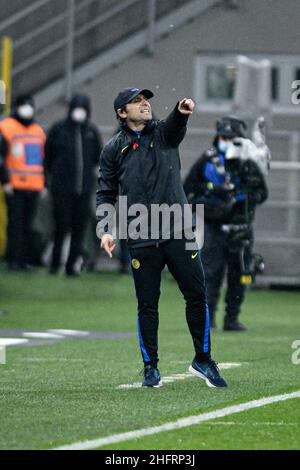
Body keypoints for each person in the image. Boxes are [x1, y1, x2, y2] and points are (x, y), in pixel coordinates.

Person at [96, 87, 227, 388]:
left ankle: (203, 360)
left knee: (196, 295)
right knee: (147, 304)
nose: (144, 103)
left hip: (178, 230)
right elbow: (105, 192)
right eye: (136, 101)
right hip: (140, 234)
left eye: (146, 100)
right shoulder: (113, 149)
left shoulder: (163, 133)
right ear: (121, 113)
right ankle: (150, 367)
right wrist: (105, 230)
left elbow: (174, 125)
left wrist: (182, 112)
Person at [184, 116, 268, 331]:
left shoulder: (249, 164)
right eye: (224, 136)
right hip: (214, 226)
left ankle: (231, 319)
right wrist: (212, 195)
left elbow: (261, 193)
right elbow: (189, 189)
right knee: (211, 273)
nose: (227, 141)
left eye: (232, 137)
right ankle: (208, 318)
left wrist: (242, 199)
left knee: (239, 275)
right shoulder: (208, 160)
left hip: (240, 227)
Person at [45, 93, 103, 276]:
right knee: (61, 226)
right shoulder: (59, 129)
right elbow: (48, 155)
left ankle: (72, 266)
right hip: (62, 189)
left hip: (83, 190)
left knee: (79, 228)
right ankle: (55, 264)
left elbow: (96, 158)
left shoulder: (91, 132)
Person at [0, 95, 46, 270]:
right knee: (15, 224)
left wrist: (43, 184)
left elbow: (43, 160)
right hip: (14, 186)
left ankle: (24, 260)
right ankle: (13, 259)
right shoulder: (6, 128)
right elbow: (1, 158)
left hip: (33, 186)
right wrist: (5, 181)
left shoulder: (37, 131)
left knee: (27, 225)